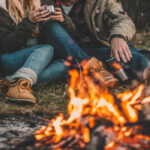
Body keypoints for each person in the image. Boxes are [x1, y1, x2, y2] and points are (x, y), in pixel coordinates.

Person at [40, 0, 149, 80]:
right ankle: (99, 69)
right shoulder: (46, 3)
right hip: (66, 52)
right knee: (50, 25)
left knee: (134, 57)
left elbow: (123, 20)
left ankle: (131, 76)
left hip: (97, 48)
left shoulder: (100, 2)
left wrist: (118, 37)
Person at [0, 0, 68, 104]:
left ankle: (13, 81)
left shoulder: (45, 2)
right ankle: (20, 84)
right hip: (9, 59)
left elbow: (73, 37)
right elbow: (4, 45)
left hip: (35, 61)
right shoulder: (3, 5)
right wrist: (29, 22)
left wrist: (64, 21)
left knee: (65, 64)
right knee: (47, 49)